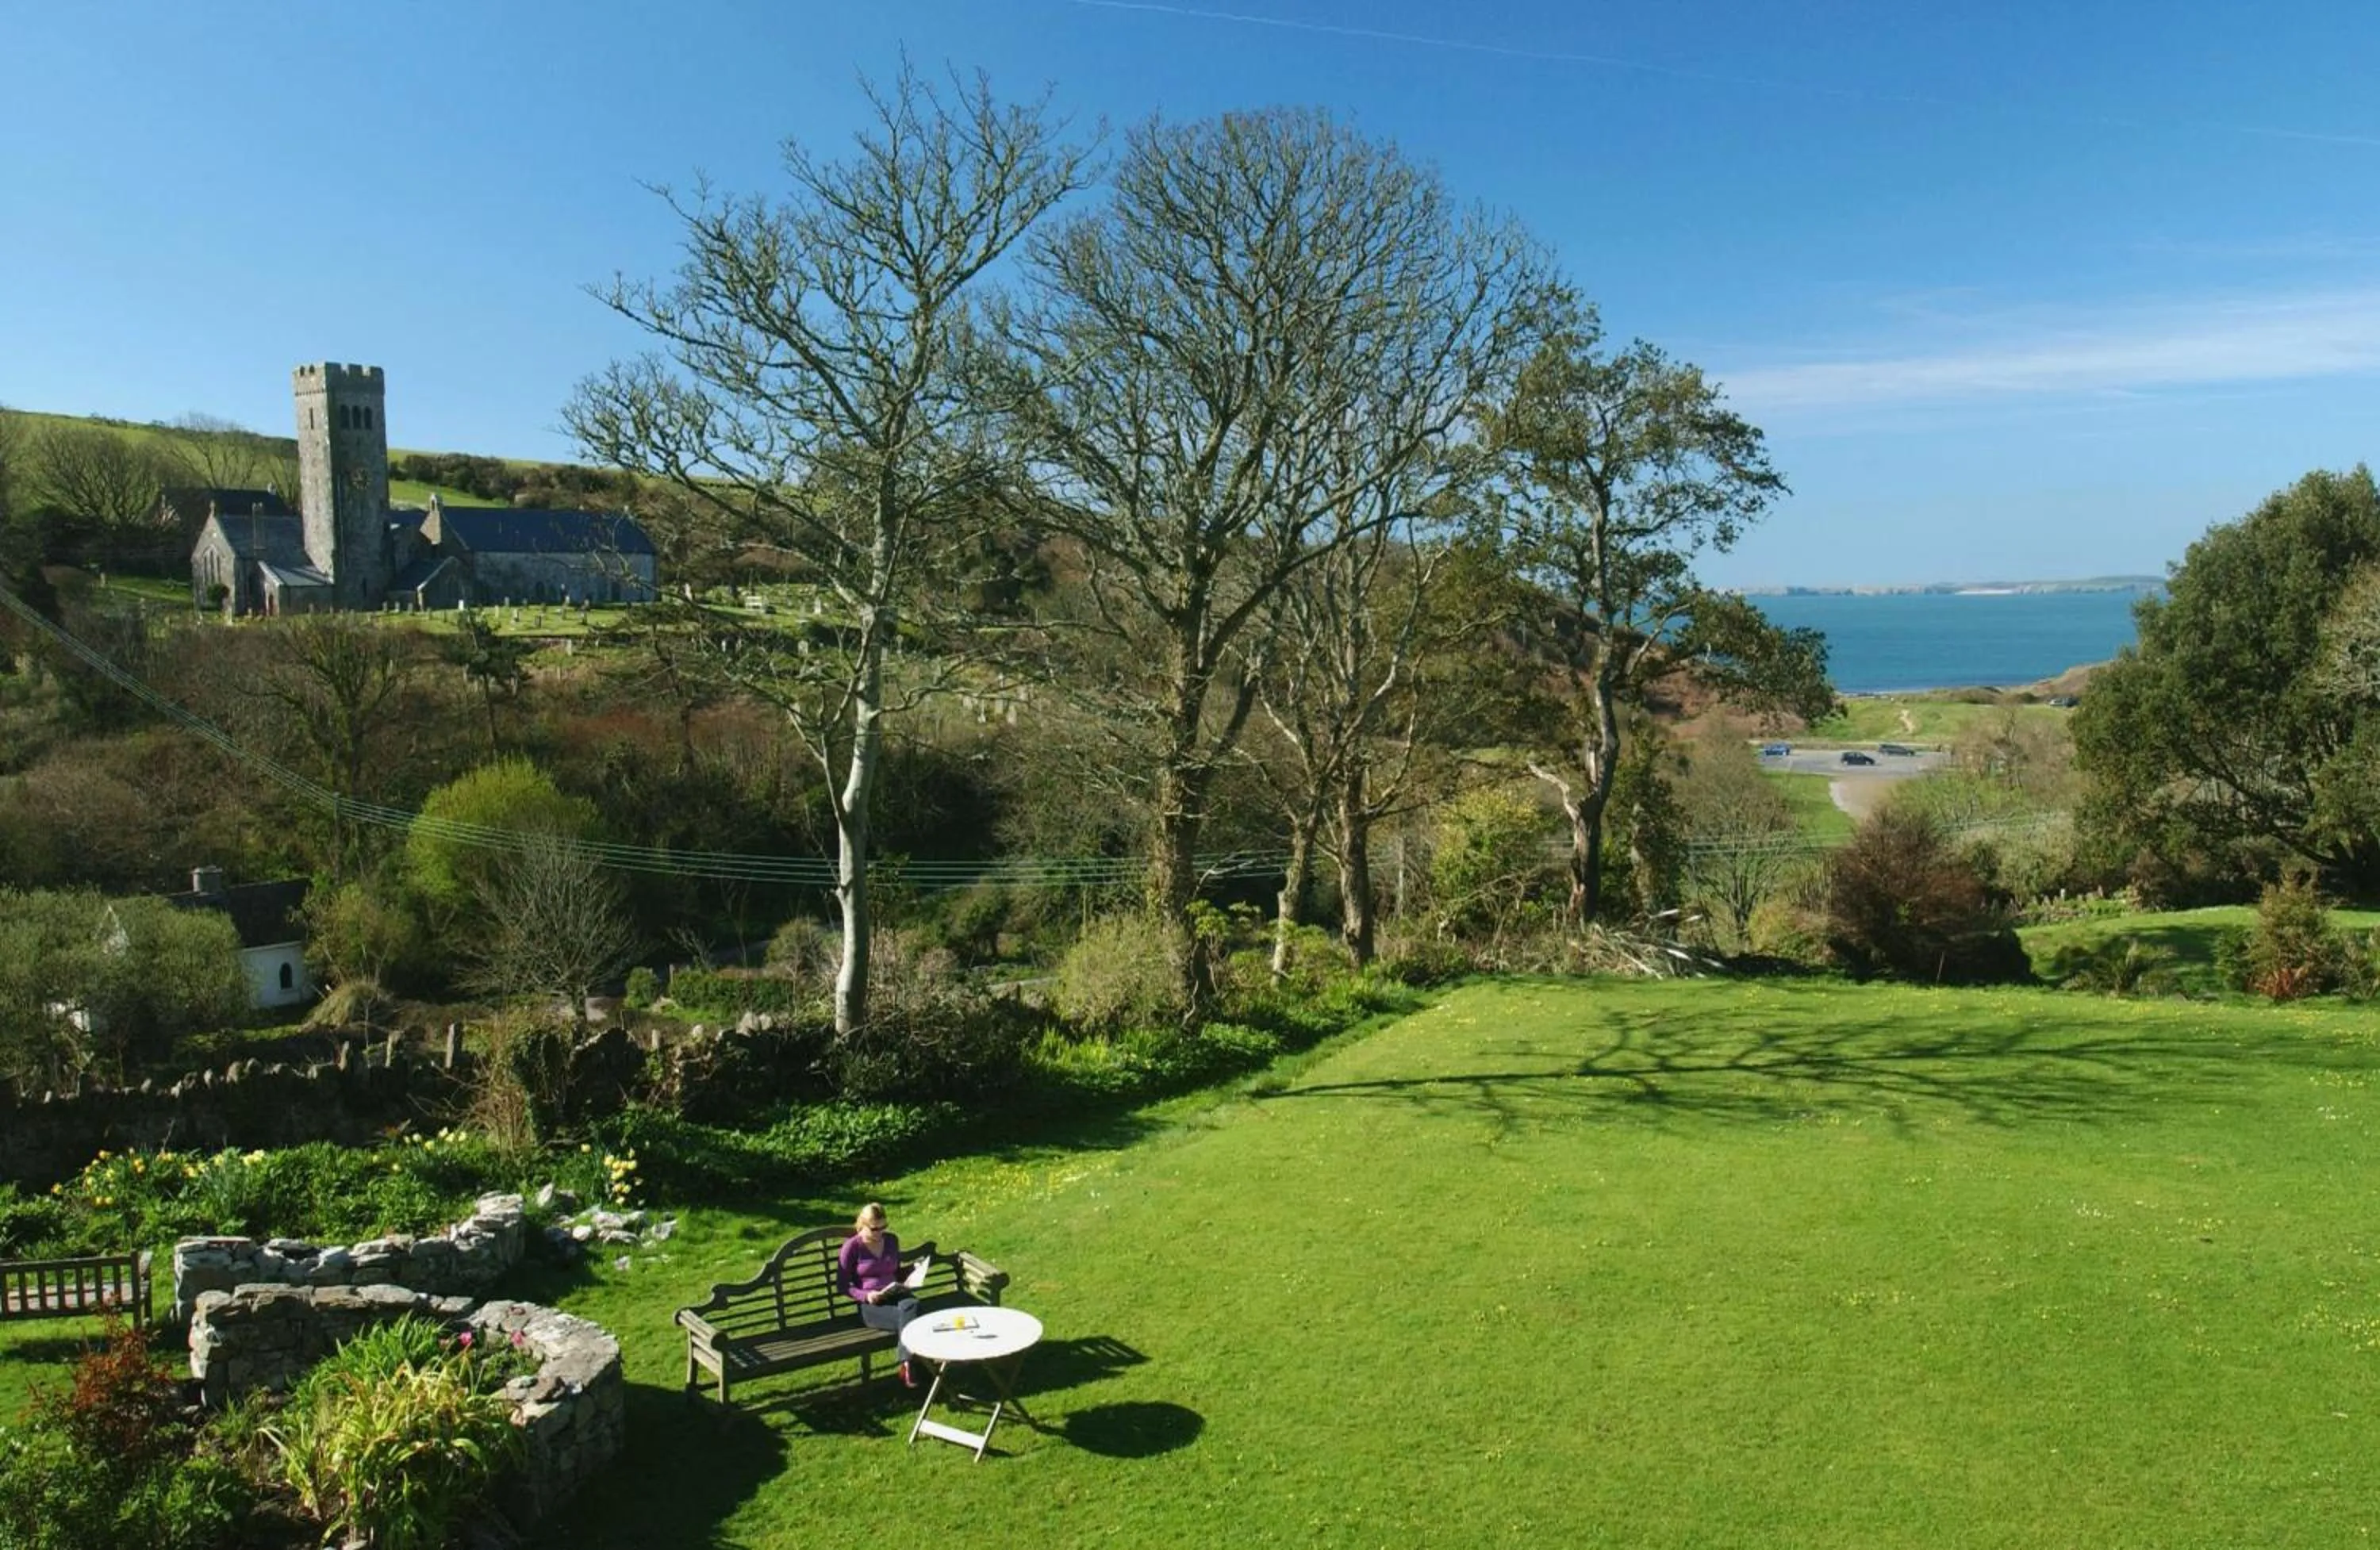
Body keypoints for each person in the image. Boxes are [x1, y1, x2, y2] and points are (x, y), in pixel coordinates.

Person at [838, 1201, 922, 1386]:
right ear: (862, 1224)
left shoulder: (891, 1240)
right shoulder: (852, 1247)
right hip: (872, 1304)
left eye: (884, 1226)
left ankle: (907, 1364)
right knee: (913, 1318)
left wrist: (913, 1271)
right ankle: (911, 1365)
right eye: (875, 1228)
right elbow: (843, 1285)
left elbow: (895, 1271)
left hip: (896, 1294)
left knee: (912, 1305)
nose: (880, 1232)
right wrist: (866, 1296)